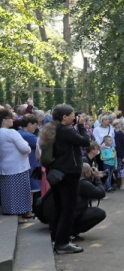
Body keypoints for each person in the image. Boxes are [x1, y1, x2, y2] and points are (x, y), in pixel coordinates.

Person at [40, 105, 91, 254]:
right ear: (64, 117)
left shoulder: (54, 129)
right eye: (72, 114)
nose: (75, 117)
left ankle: (57, 238)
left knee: (60, 207)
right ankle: (62, 243)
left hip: (57, 174)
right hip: (68, 174)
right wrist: (82, 126)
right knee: (68, 209)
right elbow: (85, 141)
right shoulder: (64, 131)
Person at [0, 108, 33, 223]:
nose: (13, 120)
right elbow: (25, 148)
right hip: (18, 167)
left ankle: (12, 213)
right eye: (10, 118)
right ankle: (19, 214)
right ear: (4, 120)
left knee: (9, 193)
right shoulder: (11, 132)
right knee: (20, 192)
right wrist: (28, 147)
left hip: (4, 167)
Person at [18, 114, 42, 211]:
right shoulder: (27, 135)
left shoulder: (20, 132)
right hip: (30, 165)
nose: (35, 128)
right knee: (31, 190)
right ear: (29, 125)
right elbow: (42, 144)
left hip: (29, 164)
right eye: (35, 126)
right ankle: (29, 211)